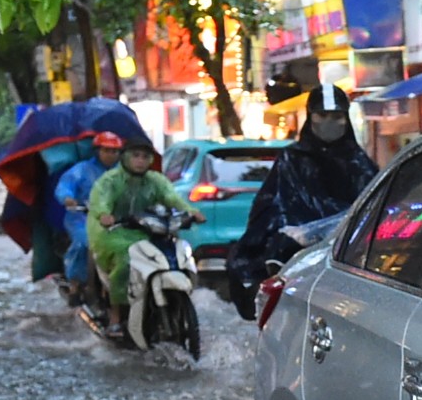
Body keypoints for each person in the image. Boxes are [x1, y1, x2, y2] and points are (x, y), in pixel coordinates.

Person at [226, 83, 378, 318]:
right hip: (297, 257)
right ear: (311, 117)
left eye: (336, 116)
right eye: (323, 115)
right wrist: (289, 233)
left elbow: (374, 207)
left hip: (348, 257)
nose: (330, 122)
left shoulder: (360, 163)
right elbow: (270, 205)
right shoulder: (291, 159)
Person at [87, 131, 201, 315]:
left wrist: (191, 211)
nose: (140, 161)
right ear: (124, 157)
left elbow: (171, 197)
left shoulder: (155, 180)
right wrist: (104, 215)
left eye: (145, 156)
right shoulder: (110, 180)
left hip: (148, 230)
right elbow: (101, 200)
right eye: (136, 156)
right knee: (125, 261)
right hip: (114, 233)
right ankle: (116, 314)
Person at [53, 132, 122, 301]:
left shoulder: (123, 172)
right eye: (107, 150)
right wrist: (68, 198)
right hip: (82, 218)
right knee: (84, 244)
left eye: (115, 151)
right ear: (97, 151)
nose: (111, 155)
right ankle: (75, 284)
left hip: (116, 219)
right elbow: (64, 186)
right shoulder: (82, 170)